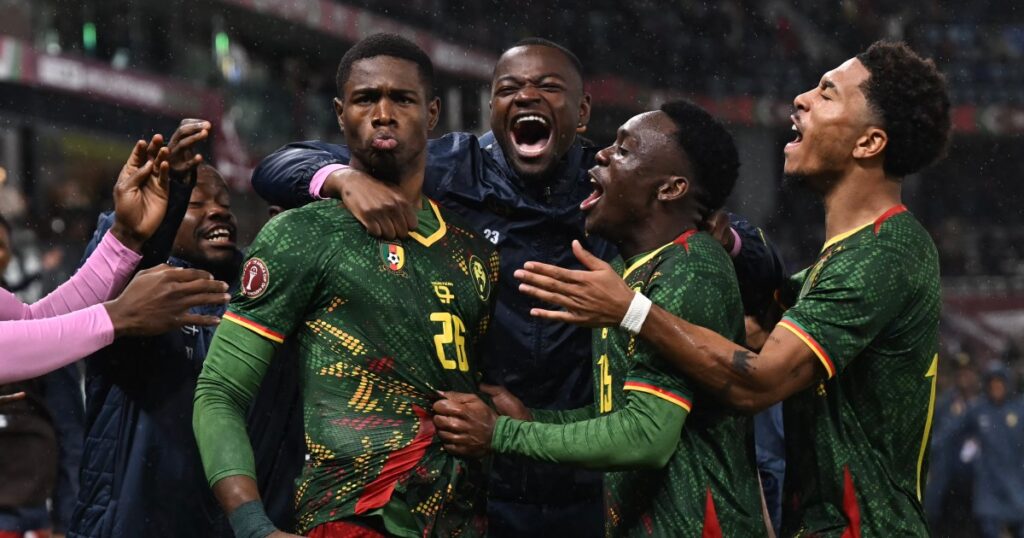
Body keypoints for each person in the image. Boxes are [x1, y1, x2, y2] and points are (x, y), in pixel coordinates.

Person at [251, 37, 786, 536]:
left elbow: (747, 252)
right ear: (491, 109)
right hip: (480, 464)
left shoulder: (614, 192)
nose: (527, 96)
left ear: (581, 112)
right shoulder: (446, 169)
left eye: (548, 86)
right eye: (509, 88)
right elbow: (278, 165)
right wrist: (340, 178)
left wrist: (728, 238)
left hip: (590, 464)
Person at [514, 40, 950, 536]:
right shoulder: (840, 263)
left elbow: (756, 383)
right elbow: (757, 329)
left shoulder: (885, 251)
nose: (801, 99)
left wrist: (630, 310)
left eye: (827, 94)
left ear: (869, 143)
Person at [193, 34, 499, 538]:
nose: (383, 114)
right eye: (365, 99)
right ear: (340, 113)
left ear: (432, 114)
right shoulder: (302, 234)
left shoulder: (475, 254)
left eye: (402, 99)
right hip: (351, 519)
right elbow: (220, 391)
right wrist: (251, 525)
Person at [432, 101, 767, 536]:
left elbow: (646, 436)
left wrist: (501, 434)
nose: (603, 154)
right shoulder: (629, 274)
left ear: (670, 189)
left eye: (624, 150)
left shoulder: (691, 265)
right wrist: (532, 420)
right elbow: (623, 413)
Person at [68, 122, 244, 538]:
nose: (218, 210)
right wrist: (176, 189)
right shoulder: (132, 291)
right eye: (198, 203)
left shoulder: (250, 298)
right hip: (129, 524)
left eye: (225, 203)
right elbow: (121, 260)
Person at [964, 365, 1024, 538]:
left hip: (1015, 482)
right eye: (992, 384)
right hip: (988, 485)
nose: (996, 388)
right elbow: (954, 433)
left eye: (999, 384)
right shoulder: (978, 410)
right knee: (988, 530)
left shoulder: (1019, 409)